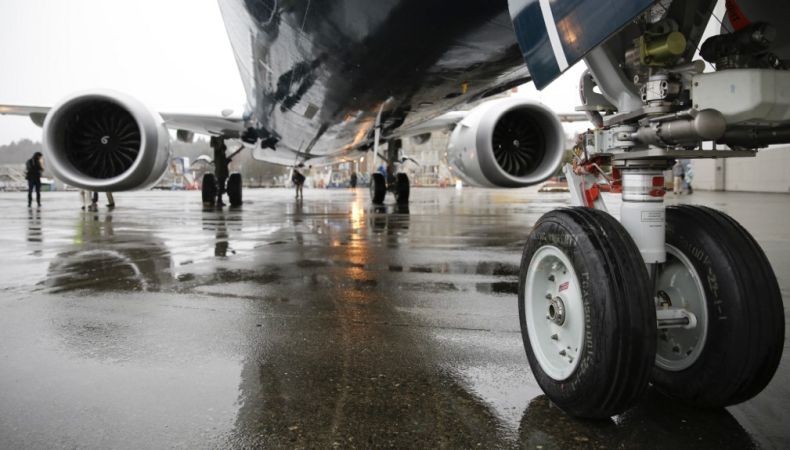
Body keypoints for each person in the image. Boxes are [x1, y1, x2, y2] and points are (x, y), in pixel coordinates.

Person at [211, 137, 230, 206]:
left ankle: (219, 200)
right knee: (221, 187)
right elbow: (222, 164)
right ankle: (219, 201)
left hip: (220, 173)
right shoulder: (220, 154)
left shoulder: (218, 154)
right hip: (221, 173)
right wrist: (227, 161)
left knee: (220, 186)